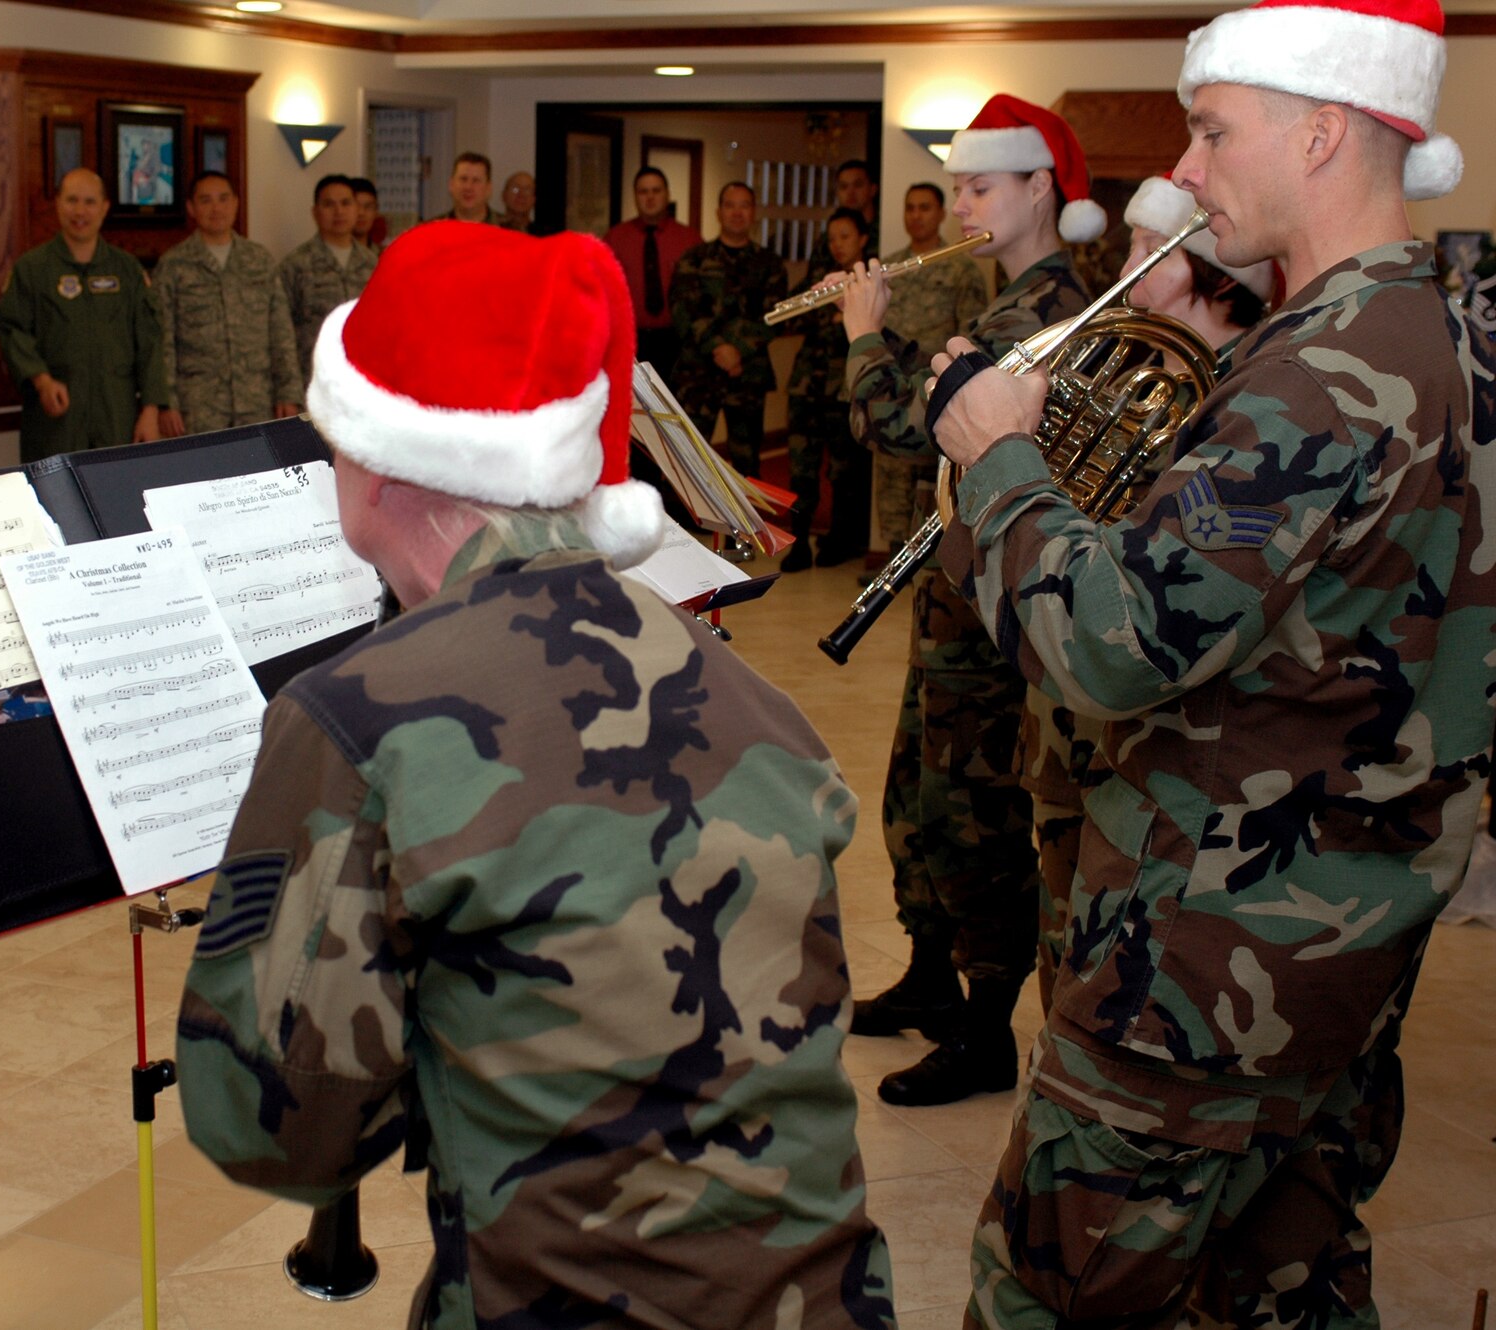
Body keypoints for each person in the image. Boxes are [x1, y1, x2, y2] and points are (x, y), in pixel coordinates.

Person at [176, 220, 896, 1329]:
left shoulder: (359, 716)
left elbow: (272, 1130)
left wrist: (261, 938)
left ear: (379, 461)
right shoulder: (743, 686)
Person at [921, 2, 1491, 1322]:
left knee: (1049, 1291)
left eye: (1212, 129)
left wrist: (1002, 453)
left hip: (1206, 959)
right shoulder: (1439, 330)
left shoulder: (1320, 374)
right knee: (1280, 1277)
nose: (1184, 170)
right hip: (1345, 927)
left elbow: (1113, 651)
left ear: (1323, 129)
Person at [834, 95, 1103, 1107]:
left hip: (1000, 608)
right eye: (953, 186)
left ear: (1039, 188)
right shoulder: (1000, 304)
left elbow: (902, 425)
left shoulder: (1044, 309)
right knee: (917, 793)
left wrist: (863, 331)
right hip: (959, 590)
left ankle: (984, 1026)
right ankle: (927, 977)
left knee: (974, 810)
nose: (957, 207)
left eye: (979, 187)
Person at [1024, 177, 1275, 1007]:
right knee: (1059, 945)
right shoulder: (1130, 374)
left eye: (1147, 249)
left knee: (1102, 970)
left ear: (1208, 270)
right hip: (1073, 721)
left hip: (1152, 751)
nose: (1125, 266)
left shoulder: (1236, 404)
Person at [0, 168, 165, 463]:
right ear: (58, 204)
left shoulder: (127, 270)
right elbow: (13, 330)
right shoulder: (32, 269)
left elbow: (150, 342)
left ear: (104, 207)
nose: (80, 211)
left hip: (116, 416)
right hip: (55, 419)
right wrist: (41, 380)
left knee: (116, 494)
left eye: (89, 202)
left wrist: (150, 410)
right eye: (72, 200)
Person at [870, 183, 990, 558]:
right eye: (910, 208)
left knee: (934, 492)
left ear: (940, 214)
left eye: (924, 208)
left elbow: (973, 336)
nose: (916, 215)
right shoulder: (890, 267)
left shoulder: (961, 268)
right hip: (896, 387)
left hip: (940, 390)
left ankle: (929, 563)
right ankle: (892, 559)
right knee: (890, 486)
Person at [153, 171, 303, 438]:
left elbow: (281, 332)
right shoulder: (174, 264)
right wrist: (167, 403)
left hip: (257, 401)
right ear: (191, 207)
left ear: (235, 203)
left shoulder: (258, 260)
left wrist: (289, 393)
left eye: (223, 199)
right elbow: (163, 338)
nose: (216, 208)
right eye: (206, 200)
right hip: (199, 405)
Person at [668, 181, 787, 477]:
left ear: (754, 213)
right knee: (688, 459)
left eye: (744, 205)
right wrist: (718, 349)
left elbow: (776, 315)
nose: (737, 213)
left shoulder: (769, 264)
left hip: (748, 376)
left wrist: (739, 351)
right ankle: (687, 524)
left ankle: (743, 524)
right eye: (730, 205)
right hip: (698, 374)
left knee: (747, 466)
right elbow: (684, 311)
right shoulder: (693, 259)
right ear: (718, 212)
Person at [783, 207, 873, 571]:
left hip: (845, 390)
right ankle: (799, 541)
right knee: (801, 470)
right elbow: (791, 315)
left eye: (845, 236)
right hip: (807, 386)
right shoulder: (819, 279)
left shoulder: (871, 282)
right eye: (832, 237)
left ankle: (839, 540)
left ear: (862, 239)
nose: (837, 245)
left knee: (843, 471)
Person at [277, 174, 377, 384]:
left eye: (345, 203)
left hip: (363, 383)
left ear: (356, 209)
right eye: (329, 204)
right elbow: (282, 334)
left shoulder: (373, 264)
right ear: (315, 212)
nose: (338, 211)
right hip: (313, 382)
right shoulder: (295, 265)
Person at [605, 166, 700, 376]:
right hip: (631, 342)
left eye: (656, 191)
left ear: (667, 194)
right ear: (635, 196)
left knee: (673, 406)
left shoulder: (690, 239)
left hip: (677, 342)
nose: (650, 197)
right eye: (643, 191)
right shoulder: (615, 238)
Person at [428, 152, 499, 225]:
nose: (468, 187)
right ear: (451, 185)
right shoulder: (431, 230)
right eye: (463, 179)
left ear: (488, 188)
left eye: (476, 180)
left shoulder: (507, 230)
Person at [835, 160, 881, 255]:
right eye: (844, 187)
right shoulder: (832, 235)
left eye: (858, 185)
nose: (850, 193)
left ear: (873, 189)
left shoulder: (883, 230)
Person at [350, 176, 389, 250]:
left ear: (376, 211)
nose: (361, 213)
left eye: (368, 207)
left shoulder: (383, 255)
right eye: (356, 206)